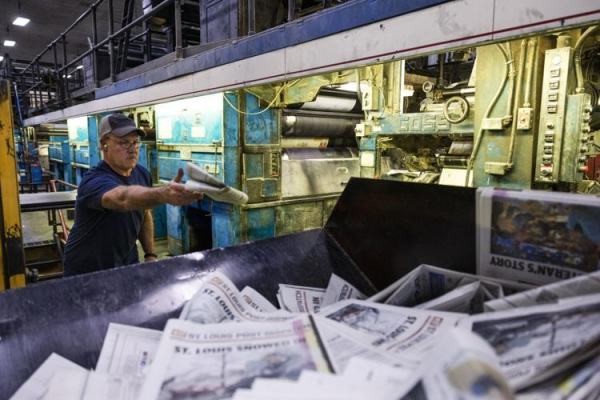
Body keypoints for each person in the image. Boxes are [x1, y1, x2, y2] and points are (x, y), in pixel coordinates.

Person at [62, 113, 202, 276]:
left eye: (135, 142)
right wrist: (162, 194)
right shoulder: (93, 180)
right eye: (123, 143)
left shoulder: (142, 174)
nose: (132, 149)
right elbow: (122, 198)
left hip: (126, 263)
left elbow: (145, 214)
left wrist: (150, 254)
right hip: (87, 271)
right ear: (104, 144)